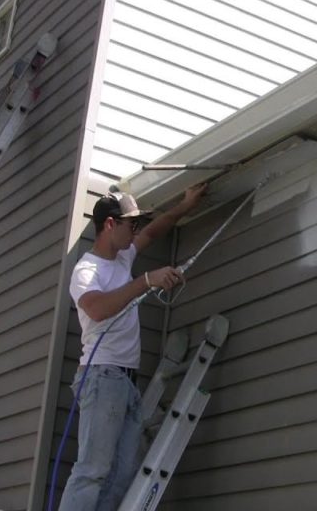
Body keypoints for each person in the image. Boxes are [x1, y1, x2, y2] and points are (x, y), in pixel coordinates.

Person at [58, 184, 205, 511]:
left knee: (122, 473)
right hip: (101, 377)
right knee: (92, 471)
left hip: (125, 380)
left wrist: (185, 205)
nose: (135, 231)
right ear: (110, 225)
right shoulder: (87, 270)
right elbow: (96, 309)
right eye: (130, 225)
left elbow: (154, 230)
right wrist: (145, 281)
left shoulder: (123, 257)